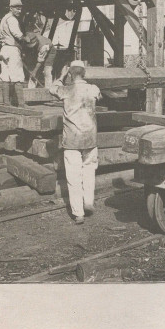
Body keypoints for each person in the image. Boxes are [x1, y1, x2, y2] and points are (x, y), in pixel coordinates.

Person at [48, 60, 102, 224]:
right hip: (90, 139)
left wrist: (61, 76)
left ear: (70, 74)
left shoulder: (66, 90)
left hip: (72, 140)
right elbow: (99, 97)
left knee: (73, 176)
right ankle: (88, 202)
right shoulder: (93, 89)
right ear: (84, 73)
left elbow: (51, 89)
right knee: (89, 172)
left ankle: (78, 213)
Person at [0, 0, 26, 105]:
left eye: (20, 9)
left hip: (4, 49)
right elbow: (17, 34)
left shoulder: (4, 18)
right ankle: (21, 104)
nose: (19, 11)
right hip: (12, 49)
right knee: (18, 76)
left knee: (5, 76)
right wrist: (25, 38)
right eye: (17, 9)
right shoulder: (12, 19)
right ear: (11, 8)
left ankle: (6, 102)